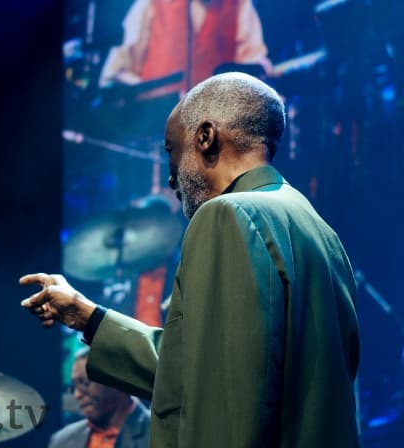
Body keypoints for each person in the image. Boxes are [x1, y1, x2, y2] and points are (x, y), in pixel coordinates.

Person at [21, 72, 361, 447]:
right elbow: (197, 374)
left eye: (171, 150)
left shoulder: (226, 215)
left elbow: (226, 406)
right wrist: (87, 316)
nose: (171, 178)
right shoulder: (317, 230)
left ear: (205, 137)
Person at [99, 0, 273, 91]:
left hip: (214, 132)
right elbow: (116, 73)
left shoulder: (238, 5)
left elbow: (253, 64)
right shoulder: (151, 4)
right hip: (155, 132)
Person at [49, 347, 150, 448]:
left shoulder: (155, 433)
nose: (77, 395)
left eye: (85, 383)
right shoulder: (61, 441)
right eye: (74, 387)